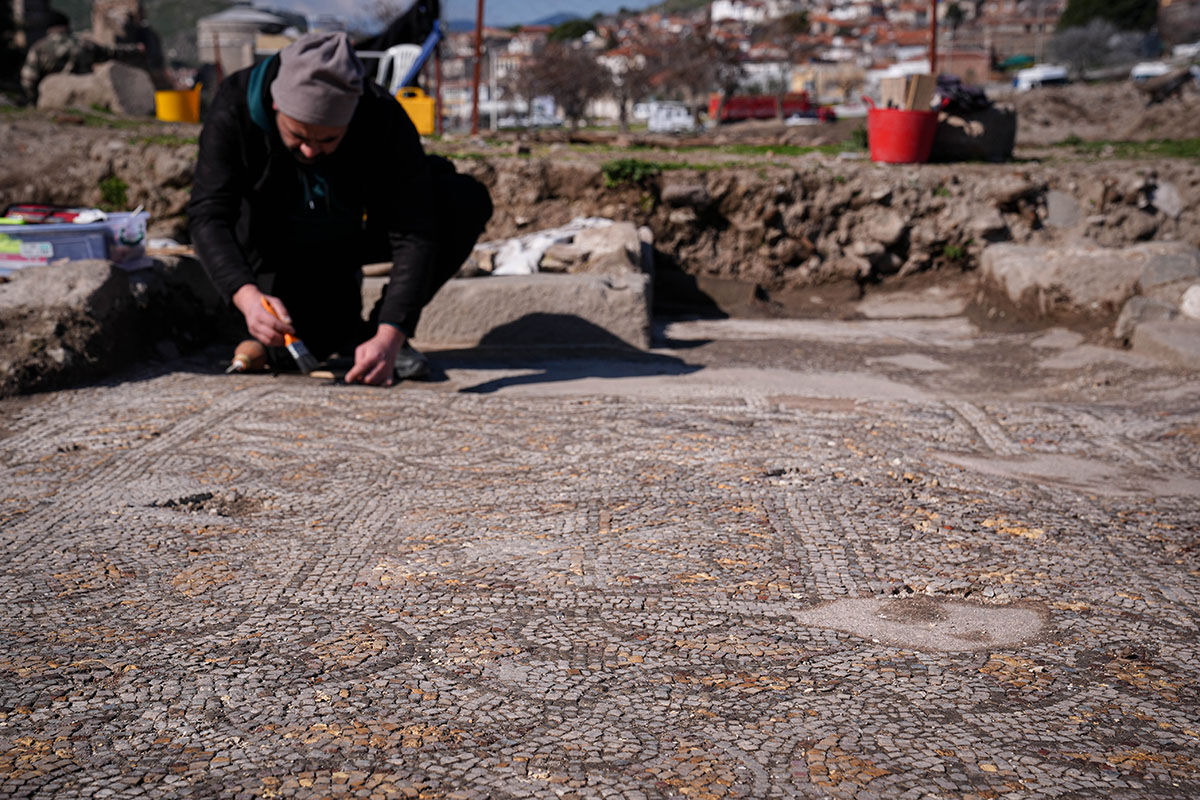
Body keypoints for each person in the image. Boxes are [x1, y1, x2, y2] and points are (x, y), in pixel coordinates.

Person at [188, 32, 492, 386]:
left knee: (459, 198)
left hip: (342, 238)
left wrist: (391, 328)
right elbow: (208, 214)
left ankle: (377, 337)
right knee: (306, 343)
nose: (310, 152)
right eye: (298, 136)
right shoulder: (235, 106)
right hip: (269, 246)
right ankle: (331, 329)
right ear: (275, 106)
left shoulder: (381, 116)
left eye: (328, 139)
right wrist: (246, 295)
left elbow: (414, 228)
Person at [19, 9, 143, 105]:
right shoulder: (85, 44)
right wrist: (136, 49)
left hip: (53, 97)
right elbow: (112, 52)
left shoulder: (40, 48)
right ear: (66, 26)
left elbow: (28, 79)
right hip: (85, 96)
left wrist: (33, 99)